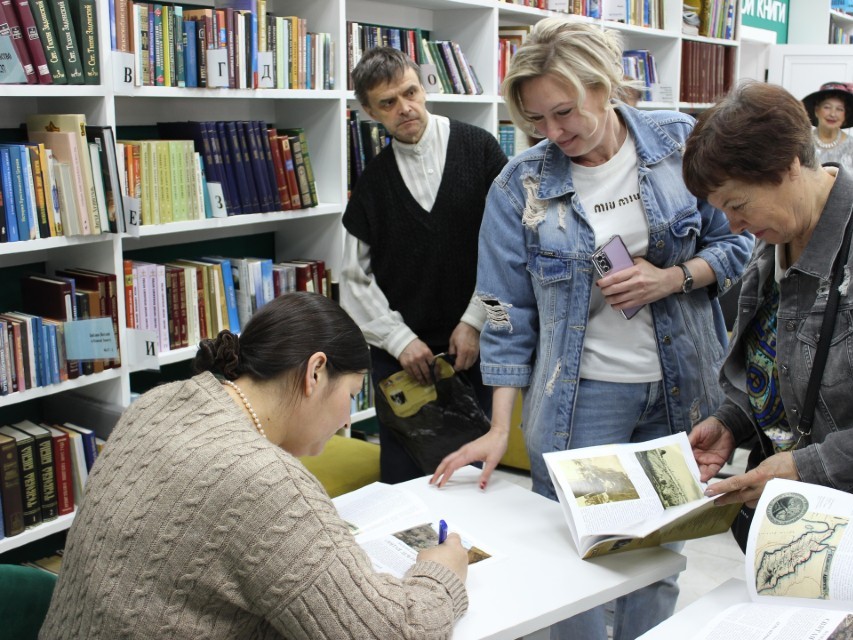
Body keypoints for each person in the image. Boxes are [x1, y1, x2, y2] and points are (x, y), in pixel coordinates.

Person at [430, 17, 753, 640]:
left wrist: (675, 277)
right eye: (536, 121)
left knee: (658, 558)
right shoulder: (520, 183)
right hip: (583, 403)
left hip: (687, 397)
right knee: (574, 569)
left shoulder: (681, 144)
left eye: (565, 112)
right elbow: (501, 307)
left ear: (605, 86)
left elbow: (739, 245)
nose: (554, 133)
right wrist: (501, 427)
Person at [39, 292, 469, 640]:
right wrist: (441, 572)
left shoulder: (157, 402)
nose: (344, 420)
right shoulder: (266, 482)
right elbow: (397, 633)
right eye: (352, 395)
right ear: (315, 373)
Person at [683, 82, 853, 537]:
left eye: (738, 205)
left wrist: (806, 466)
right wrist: (733, 420)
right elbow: (775, 362)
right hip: (783, 522)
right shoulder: (772, 239)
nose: (735, 226)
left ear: (789, 166)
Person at [340, 46, 508, 483]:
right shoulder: (372, 183)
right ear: (368, 112)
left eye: (410, 92)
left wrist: (475, 321)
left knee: (473, 480)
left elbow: (513, 251)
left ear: (424, 85)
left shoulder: (481, 150)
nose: (405, 108)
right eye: (388, 103)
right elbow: (354, 277)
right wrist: (399, 341)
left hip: (475, 346)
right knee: (403, 482)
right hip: (401, 360)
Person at [801, 81, 853, 169]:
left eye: (839, 109)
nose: (833, 114)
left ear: (845, 115)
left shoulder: (851, 146)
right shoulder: (802, 143)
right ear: (816, 110)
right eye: (827, 107)